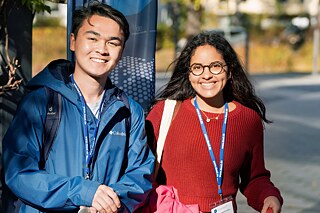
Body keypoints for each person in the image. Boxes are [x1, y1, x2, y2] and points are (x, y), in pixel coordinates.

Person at [2, 2, 154, 213]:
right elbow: (18, 172)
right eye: (92, 38)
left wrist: (108, 203)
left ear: (122, 51)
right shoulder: (41, 101)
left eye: (113, 42)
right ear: (73, 41)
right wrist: (84, 192)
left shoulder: (130, 111)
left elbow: (140, 174)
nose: (101, 49)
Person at [146, 31, 283, 213]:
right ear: (188, 74)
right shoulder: (163, 113)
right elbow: (137, 169)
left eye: (215, 66)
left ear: (229, 71)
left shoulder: (248, 120)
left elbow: (254, 178)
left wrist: (269, 197)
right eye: (197, 67)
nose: (207, 75)